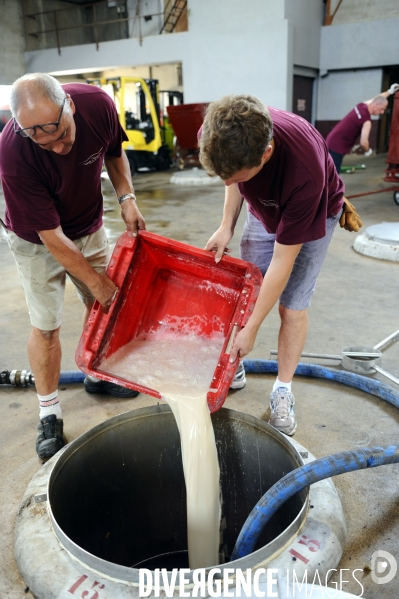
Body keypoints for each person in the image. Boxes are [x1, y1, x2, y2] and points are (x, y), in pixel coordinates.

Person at [0, 73, 146, 460]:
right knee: (47, 328)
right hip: (37, 240)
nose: (60, 148)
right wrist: (97, 283)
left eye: (63, 134)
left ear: (70, 104)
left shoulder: (98, 104)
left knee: (99, 308)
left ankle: (95, 375)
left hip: (88, 223)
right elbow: (51, 238)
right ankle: (49, 412)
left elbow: (115, 153)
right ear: (22, 129)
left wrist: (127, 196)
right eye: (45, 143)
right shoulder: (13, 151)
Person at [199, 94, 352, 436]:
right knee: (245, 292)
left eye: (236, 175)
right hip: (263, 208)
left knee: (291, 307)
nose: (227, 182)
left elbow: (283, 261)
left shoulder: (304, 172)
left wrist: (252, 328)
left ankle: (282, 390)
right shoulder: (220, 131)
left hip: (314, 215)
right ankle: (233, 366)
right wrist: (227, 225)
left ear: (266, 153)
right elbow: (232, 178)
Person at [326, 83, 399, 173]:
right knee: (333, 176)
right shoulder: (366, 121)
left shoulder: (361, 106)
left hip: (330, 140)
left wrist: (389, 91)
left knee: (327, 172)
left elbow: (378, 98)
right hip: (337, 146)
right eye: (382, 109)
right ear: (376, 105)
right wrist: (368, 151)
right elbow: (363, 142)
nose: (382, 112)